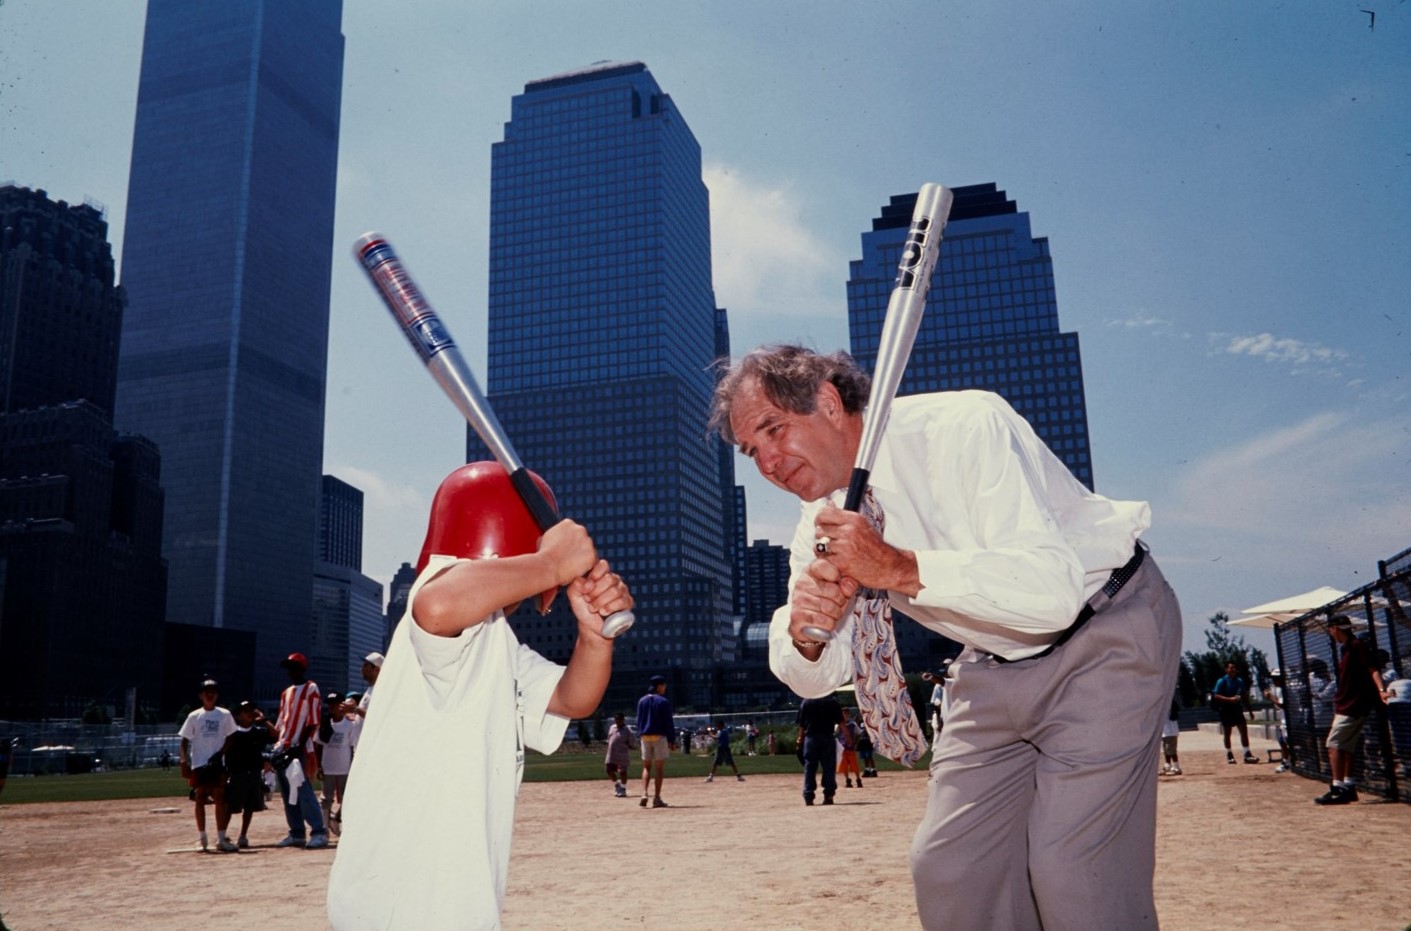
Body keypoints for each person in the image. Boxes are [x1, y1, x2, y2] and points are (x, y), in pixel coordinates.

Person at [710, 345, 1181, 929]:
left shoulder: (964, 426)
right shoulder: (820, 525)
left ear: (829, 403)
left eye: (774, 431)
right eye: (752, 451)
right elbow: (818, 674)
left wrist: (898, 567)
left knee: (1072, 872)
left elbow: (1051, 592)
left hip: (1103, 629)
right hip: (988, 664)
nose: (768, 463)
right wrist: (810, 634)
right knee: (949, 869)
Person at [326, 462, 630, 929]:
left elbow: (573, 700)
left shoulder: (494, 639)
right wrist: (549, 563)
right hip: (405, 907)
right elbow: (438, 604)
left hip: (446, 906)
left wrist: (594, 638)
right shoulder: (443, 590)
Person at [1314, 616, 1386, 805]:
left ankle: (1338, 788)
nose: (1330, 633)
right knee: (1345, 747)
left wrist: (1381, 691)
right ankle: (1349, 786)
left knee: (1333, 745)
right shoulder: (1347, 647)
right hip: (1349, 704)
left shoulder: (1355, 646)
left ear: (1336, 628)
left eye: (1330, 629)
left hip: (1351, 705)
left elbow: (1373, 669)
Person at [272, 652, 329, 849]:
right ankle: (296, 832)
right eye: (288, 667)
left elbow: (312, 721)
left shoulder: (311, 688)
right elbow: (282, 722)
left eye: (293, 667)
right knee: (288, 792)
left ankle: (319, 831)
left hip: (301, 747)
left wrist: (299, 744)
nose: (290, 671)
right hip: (285, 745)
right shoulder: (286, 693)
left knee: (303, 790)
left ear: (302, 669)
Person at [177, 678, 238, 852]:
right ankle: (202, 837)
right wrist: (183, 762)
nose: (209, 695)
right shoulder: (194, 716)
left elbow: (231, 736)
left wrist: (221, 753)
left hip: (217, 763)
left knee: (220, 799)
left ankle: (220, 837)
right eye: (206, 692)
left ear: (217, 695)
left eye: (213, 692)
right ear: (201, 695)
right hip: (199, 762)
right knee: (200, 799)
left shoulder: (224, 714)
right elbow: (184, 741)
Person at [224, 700, 276, 848]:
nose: (248, 714)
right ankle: (223, 833)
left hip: (253, 773)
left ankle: (243, 835)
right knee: (231, 806)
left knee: (250, 807)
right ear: (239, 715)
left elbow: (275, 735)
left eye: (251, 711)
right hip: (236, 773)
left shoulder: (258, 732)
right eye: (245, 711)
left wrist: (264, 719)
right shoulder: (232, 733)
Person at [316, 695, 361, 833]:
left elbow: (353, 747)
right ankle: (324, 829)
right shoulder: (324, 723)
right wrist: (319, 766)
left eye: (335, 704)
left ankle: (345, 829)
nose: (332, 707)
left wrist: (354, 766)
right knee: (326, 799)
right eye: (330, 705)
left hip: (344, 768)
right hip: (328, 767)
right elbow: (318, 745)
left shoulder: (350, 725)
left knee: (346, 798)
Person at [636, 675, 676, 808]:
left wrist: (639, 735)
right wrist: (672, 740)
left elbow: (639, 721)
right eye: (663, 685)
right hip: (659, 736)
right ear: (659, 685)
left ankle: (644, 793)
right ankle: (657, 798)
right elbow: (668, 722)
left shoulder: (642, 701)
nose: (665, 687)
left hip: (645, 736)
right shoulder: (663, 701)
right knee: (659, 769)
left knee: (646, 766)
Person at [796, 694, 843, 805]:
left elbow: (802, 725)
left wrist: (799, 739)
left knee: (809, 766)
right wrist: (848, 737)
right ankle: (829, 795)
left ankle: (808, 796)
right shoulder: (831, 701)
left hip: (811, 737)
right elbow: (841, 722)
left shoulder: (806, 701)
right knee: (829, 766)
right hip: (827, 736)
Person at [1211, 662, 1258, 764]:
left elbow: (1244, 696)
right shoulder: (1222, 681)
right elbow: (1216, 695)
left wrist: (1250, 711)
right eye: (1231, 668)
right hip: (1225, 709)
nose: (1233, 670)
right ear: (1226, 670)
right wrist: (1229, 699)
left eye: (1234, 668)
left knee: (1243, 730)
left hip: (1236, 708)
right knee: (1227, 732)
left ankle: (1247, 754)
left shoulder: (1239, 681)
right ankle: (1229, 754)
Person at [1264, 669, 1291, 772]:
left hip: (1291, 721)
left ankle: (1291, 762)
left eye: (1276, 678)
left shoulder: (1285, 689)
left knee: (1289, 742)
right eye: (1273, 678)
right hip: (1284, 720)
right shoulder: (1279, 689)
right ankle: (1286, 761)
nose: (1274, 681)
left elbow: (1283, 705)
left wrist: (1270, 697)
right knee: (1282, 740)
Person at [344, 652, 383, 721]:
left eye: (365, 665)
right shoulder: (370, 690)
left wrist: (355, 709)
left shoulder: (381, 691)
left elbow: (377, 718)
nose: (361, 668)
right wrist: (355, 718)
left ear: (376, 670)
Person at [604, 712, 635, 797]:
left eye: (619, 719)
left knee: (622, 772)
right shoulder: (612, 727)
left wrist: (630, 746)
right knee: (608, 770)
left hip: (622, 754)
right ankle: (617, 786)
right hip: (611, 753)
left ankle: (623, 789)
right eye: (616, 719)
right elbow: (609, 739)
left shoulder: (627, 730)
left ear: (623, 720)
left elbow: (632, 742)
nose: (617, 721)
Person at [837, 706, 863, 788]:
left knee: (854, 765)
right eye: (843, 714)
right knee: (844, 765)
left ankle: (858, 779)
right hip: (843, 748)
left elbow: (859, 733)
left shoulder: (852, 724)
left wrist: (856, 742)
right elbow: (835, 733)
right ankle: (847, 780)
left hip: (851, 747)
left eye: (846, 713)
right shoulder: (839, 724)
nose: (845, 715)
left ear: (849, 714)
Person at [1160, 695, 1182, 776]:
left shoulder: (1168, 706)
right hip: (1165, 732)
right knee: (1166, 750)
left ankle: (1177, 767)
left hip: (1171, 731)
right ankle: (1167, 766)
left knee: (1171, 751)